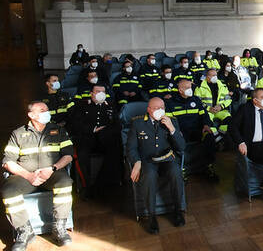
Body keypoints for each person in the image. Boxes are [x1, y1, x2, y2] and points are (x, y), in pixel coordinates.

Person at [1, 102, 74, 250]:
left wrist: (52, 168)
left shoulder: (58, 130)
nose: (47, 112)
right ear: (31, 115)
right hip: (25, 176)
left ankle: (59, 227)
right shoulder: (18, 134)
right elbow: (7, 162)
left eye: (47, 110)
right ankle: (24, 231)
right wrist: (28, 176)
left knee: (65, 182)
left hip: (52, 173)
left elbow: (68, 155)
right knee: (8, 191)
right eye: (42, 110)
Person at [126, 97, 186, 234]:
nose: (160, 110)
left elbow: (181, 147)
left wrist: (171, 128)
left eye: (162, 108)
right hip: (147, 160)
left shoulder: (172, 121)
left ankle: (178, 211)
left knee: (176, 171)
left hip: (167, 159)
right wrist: (137, 162)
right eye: (156, 108)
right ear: (148, 110)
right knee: (149, 175)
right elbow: (131, 148)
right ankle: (151, 216)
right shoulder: (138, 123)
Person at [70, 85, 122, 196]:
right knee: (82, 153)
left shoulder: (110, 106)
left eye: (103, 91)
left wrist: (106, 130)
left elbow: (117, 125)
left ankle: (108, 183)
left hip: (105, 138)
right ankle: (86, 186)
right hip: (88, 138)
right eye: (98, 91)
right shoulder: (82, 105)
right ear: (91, 93)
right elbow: (75, 124)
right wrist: (93, 129)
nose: (101, 94)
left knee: (116, 146)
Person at [165, 80, 219, 181]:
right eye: (187, 88)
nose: (190, 90)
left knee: (209, 137)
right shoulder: (170, 103)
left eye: (190, 87)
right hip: (180, 133)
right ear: (180, 90)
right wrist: (176, 131)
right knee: (173, 140)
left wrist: (206, 125)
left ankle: (208, 166)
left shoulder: (196, 100)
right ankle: (182, 170)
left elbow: (204, 115)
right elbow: (169, 122)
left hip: (196, 131)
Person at [194, 69, 232, 140]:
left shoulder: (222, 86)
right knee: (208, 123)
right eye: (213, 75)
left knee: (229, 119)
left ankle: (221, 136)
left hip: (220, 110)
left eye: (216, 75)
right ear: (207, 77)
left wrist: (221, 106)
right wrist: (208, 108)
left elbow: (228, 99)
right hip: (207, 111)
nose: (216, 77)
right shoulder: (200, 87)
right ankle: (216, 139)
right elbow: (197, 101)